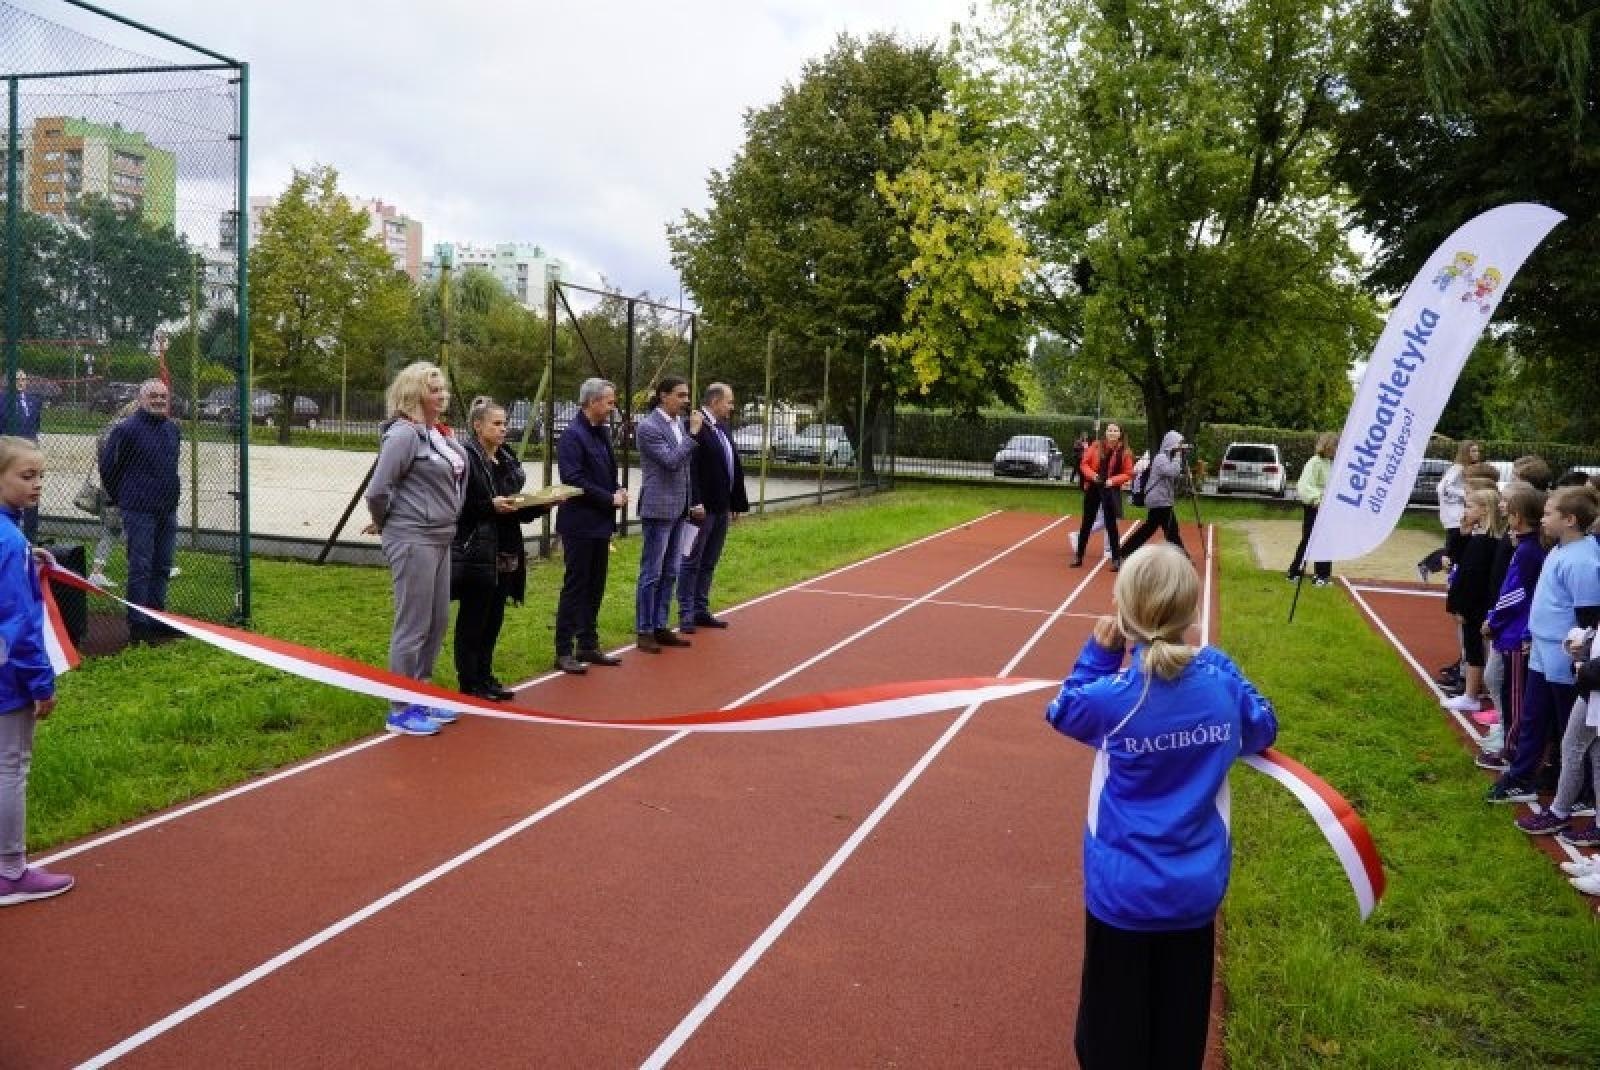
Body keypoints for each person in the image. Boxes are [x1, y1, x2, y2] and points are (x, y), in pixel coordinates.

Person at [1045, 544, 1277, 1069]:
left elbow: (1062, 709)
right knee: (1178, 1030)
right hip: (1193, 893)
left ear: (1123, 613)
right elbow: (1264, 726)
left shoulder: (1114, 697)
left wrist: (1099, 654)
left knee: (1111, 1036)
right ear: (1192, 614)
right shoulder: (1219, 685)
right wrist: (1222, 665)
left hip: (1122, 894)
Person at [363, 362, 467, 737]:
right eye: (433, 389)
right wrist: (388, 519)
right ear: (414, 393)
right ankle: (400, 707)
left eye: (443, 389)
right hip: (413, 536)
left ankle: (420, 690)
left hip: (441, 536)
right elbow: (378, 489)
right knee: (413, 624)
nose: (442, 395)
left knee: (437, 621)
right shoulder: (404, 435)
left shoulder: (437, 434)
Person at [1487, 485, 1600, 803]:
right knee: (1535, 715)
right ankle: (1523, 776)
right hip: (1542, 648)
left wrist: (1577, 658)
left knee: (1568, 727)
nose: (1543, 519)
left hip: (1563, 656)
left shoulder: (1583, 562)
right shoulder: (1558, 549)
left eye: (1549, 513)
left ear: (1570, 520)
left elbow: (1588, 619)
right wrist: (1530, 635)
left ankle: (1579, 791)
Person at [0, 435, 72, 906]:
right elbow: (19, 625)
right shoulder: (9, 541)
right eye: (27, 476)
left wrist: (31, 559)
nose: (38, 485)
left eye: (40, 475)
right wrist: (40, 683)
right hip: (8, 677)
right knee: (11, 766)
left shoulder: (12, 539)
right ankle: (10, 871)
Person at [451, 398, 548, 701]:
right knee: (474, 618)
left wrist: (540, 505)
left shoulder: (506, 460)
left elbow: (511, 508)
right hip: (478, 550)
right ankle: (469, 681)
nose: (504, 429)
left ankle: (485, 674)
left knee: (493, 618)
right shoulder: (466, 459)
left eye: (505, 423)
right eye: (497, 423)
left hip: (506, 548)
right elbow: (459, 507)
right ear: (477, 425)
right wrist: (489, 506)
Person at [554, 378, 629, 674]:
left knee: (596, 585)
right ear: (592, 402)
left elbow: (607, 472)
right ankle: (563, 650)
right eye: (609, 402)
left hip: (600, 523)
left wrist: (619, 489)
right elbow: (573, 478)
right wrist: (608, 498)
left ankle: (588, 642)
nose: (612, 408)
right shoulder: (573, 436)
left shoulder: (602, 433)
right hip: (580, 523)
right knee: (576, 586)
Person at [98, 379, 180, 643]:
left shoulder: (172, 429)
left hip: (166, 508)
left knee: (163, 565)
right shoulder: (126, 430)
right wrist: (123, 496)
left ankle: (157, 618)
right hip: (138, 510)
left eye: (163, 396)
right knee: (140, 567)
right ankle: (138, 625)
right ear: (141, 398)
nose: (158, 400)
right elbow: (109, 468)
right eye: (153, 396)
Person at [633, 376, 702, 652]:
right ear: (664, 396)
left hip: (679, 508)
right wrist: (693, 435)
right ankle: (644, 629)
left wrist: (692, 501)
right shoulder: (650, 427)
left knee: (671, 570)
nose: (686, 400)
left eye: (687, 396)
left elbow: (685, 468)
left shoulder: (678, 425)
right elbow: (672, 462)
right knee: (652, 571)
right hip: (658, 507)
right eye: (681, 395)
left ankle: (660, 625)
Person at [677, 382, 748, 633]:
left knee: (709, 561)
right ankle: (686, 613)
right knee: (691, 560)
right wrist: (695, 501)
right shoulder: (696, 426)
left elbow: (732, 465)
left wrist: (735, 501)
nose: (732, 406)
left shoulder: (722, 427)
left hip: (721, 507)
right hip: (701, 509)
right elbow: (690, 468)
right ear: (716, 402)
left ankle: (701, 609)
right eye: (729, 402)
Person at [1441, 487, 1503, 715]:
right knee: (1474, 647)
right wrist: (1463, 534)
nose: (1465, 511)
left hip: (1475, 605)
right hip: (1478, 602)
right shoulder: (1479, 539)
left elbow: (1469, 576)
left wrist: (1459, 606)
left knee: (1474, 647)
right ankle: (1472, 691)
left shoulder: (1484, 542)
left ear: (1485, 510)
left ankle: (1471, 695)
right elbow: (1460, 561)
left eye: (1469, 506)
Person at [86, 399, 140, 588]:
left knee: (112, 530)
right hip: (120, 488)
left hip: (111, 485)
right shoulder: (122, 431)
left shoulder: (110, 428)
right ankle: (137, 570)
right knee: (124, 530)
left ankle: (97, 572)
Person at [1073, 422, 1133, 570]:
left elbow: (1128, 473)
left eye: (1115, 430)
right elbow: (1084, 464)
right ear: (1106, 433)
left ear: (1120, 434)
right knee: (1087, 521)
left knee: (1111, 524)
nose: (1112, 433)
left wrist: (1112, 481)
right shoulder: (1096, 446)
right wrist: (1093, 476)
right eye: (1109, 430)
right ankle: (1079, 556)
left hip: (1110, 488)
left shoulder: (1125, 452)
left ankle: (1116, 559)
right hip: (1094, 486)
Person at [1119, 431, 1188, 559]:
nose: (1180, 447)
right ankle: (1183, 557)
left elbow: (1175, 474)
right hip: (1159, 500)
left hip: (1162, 500)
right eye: (1179, 444)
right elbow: (1172, 471)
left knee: (1150, 529)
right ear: (1171, 443)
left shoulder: (1168, 457)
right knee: (1171, 531)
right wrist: (1179, 457)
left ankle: (1123, 551)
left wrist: (1179, 458)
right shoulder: (1161, 458)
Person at [1418, 440, 1480, 582]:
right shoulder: (1457, 469)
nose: (1477, 454)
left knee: (1460, 547)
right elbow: (1442, 489)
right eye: (1473, 451)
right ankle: (1429, 566)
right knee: (1455, 548)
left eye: (1477, 451)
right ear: (1465, 453)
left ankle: (1431, 566)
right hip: (1454, 517)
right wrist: (1465, 495)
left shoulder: (1467, 469)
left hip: (1461, 515)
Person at [1285, 433, 1337, 586]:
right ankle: (1294, 572)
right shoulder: (1314, 462)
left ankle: (1323, 575)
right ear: (1327, 446)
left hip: (1326, 508)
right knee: (1309, 540)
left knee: (1326, 541)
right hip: (1314, 507)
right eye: (1335, 446)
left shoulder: (1329, 463)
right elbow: (1304, 485)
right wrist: (1317, 499)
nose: (1336, 449)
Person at [1, 372, 43, 542]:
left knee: (32, 490)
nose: (20, 382)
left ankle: (31, 535)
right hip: (10, 455)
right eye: (16, 379)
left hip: (30, 453)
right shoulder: (2, 400)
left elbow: (36, 425)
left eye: (23, 379)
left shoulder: (34, 401)